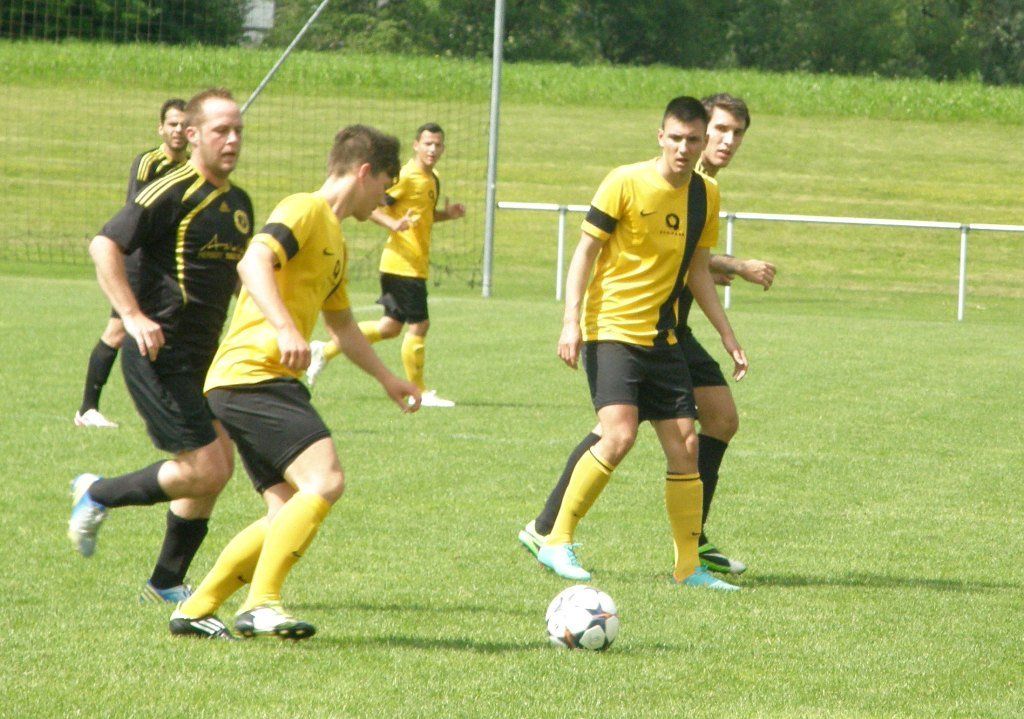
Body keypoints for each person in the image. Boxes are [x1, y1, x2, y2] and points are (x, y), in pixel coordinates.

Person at [168, 124, 421, 640]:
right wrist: (285, 327)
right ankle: (261, 604)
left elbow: (342, 326)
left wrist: (387, 379)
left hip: (254, 379)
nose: (384, 199)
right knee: (325, 480)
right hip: (253, 373)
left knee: (285, 510)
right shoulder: (304, 208)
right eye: (385, 186)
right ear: (364, 172)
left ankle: (195, 609)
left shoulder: (337, 240)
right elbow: (253, 260)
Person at [519, 94, 775, 578]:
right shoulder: (624, 180)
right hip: (613, 328)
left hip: (665, 335)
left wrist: (728, 334)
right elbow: (585, 253)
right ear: (661, 136)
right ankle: (554, 536)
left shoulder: (705, 194)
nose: (685, 147)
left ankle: (689, 564)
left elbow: (697, 267)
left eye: (693, 139)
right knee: (618, 433)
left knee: (687, 443)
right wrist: (571, 321)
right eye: (677, 138)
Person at [67, 88, 253, 605]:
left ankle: (166, 581)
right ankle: (96, 492)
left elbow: (235, 278)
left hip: (206, 357)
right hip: (160, 353)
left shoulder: (239, 203)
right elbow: (104, 244)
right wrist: (132, 316)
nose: (232, 140)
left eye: (238, 130)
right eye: (221, 130)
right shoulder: (171, 190)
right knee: (207, 468)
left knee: (216, 468)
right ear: (192, 135)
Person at [304, 122, 466, 408]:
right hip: (401, 263)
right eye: (427, 144)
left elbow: (423, 216)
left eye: (438, 144)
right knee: (420, 324)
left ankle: (324, 351)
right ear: (416, 145)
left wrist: (447, 215)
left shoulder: (432, 178)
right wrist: (392, 223)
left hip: (414, 262)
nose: (433, 149)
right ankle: (419, 391)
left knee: (390, 327)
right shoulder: (406, 176)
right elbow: (374, 205)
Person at [74, 98, 189, 429]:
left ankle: (176, 404)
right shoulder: (148, 163)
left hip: (167, 262)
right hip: (138, 259)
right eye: (172, 124)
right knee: (117, 330)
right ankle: (88, 409)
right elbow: (139, 212)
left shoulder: (192, 167)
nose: (178, 130)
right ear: (160, 128)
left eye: (184, 125)